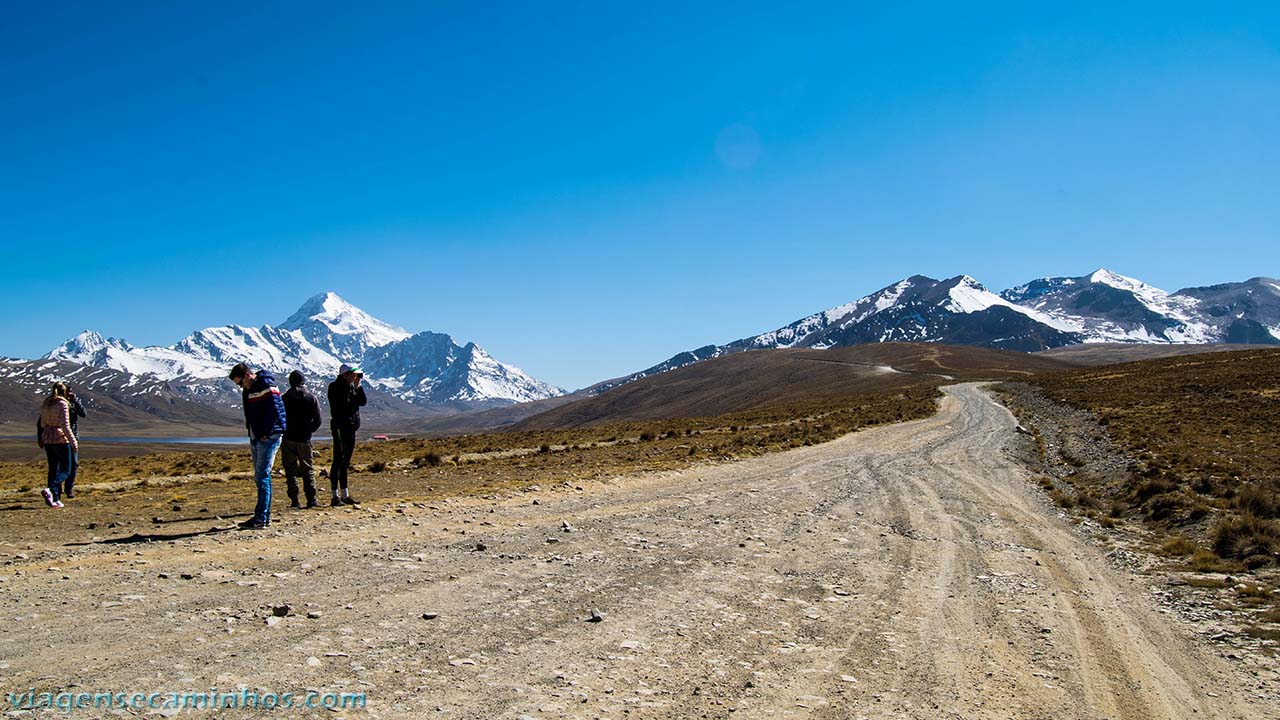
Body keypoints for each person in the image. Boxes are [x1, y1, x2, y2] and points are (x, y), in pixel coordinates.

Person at [228, 362, 286, 529]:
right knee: (260, 477)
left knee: (263, 476)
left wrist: (266, 432)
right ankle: (261, 516)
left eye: (240, 382)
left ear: (247, 375)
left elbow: (274, 410)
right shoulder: (248, 390)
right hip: (257, 436)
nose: (240, 386)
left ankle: (261, 518)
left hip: (268, 436)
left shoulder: (267, 385)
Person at [327, 363, 367, 507]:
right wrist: (353, 390)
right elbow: (346, 405)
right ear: (345, 374)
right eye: (353, 375)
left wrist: (357, 387)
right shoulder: (335, 387)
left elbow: (362, 402)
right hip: (340, 428)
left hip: (350, 429)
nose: (355, 377)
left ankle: (345, 495)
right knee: (338, 459)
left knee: (345, 462)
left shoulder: (351, 387)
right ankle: (334, 496)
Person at [281, 370, 323, 509]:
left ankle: (294, 501)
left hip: (288, 439)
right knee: (308, 469)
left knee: (290, 470)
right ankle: (311, 500)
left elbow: (279, 418)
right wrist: (308, 431)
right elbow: (318, 420)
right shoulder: (311, 398)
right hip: (304, 439)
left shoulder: (284, 398)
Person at [36, 382, 77, 509]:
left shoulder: (46, 403)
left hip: (48, 438)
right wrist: (73, 442)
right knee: (66, 468)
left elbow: (42, 423)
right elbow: (65, 425)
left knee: (53, 468)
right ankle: (51, 489)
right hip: (60, 439)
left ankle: (55, 498)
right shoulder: (63, 404)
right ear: (64, 392)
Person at [64, 387, 86, 499]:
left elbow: (83, 414)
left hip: (73, 436)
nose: (69, 393)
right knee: (60, 464)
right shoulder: (56, 403)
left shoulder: (73, 403)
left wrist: (75, 401)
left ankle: (69, 489)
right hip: (59, 437)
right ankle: (56, 489)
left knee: (73, 464)